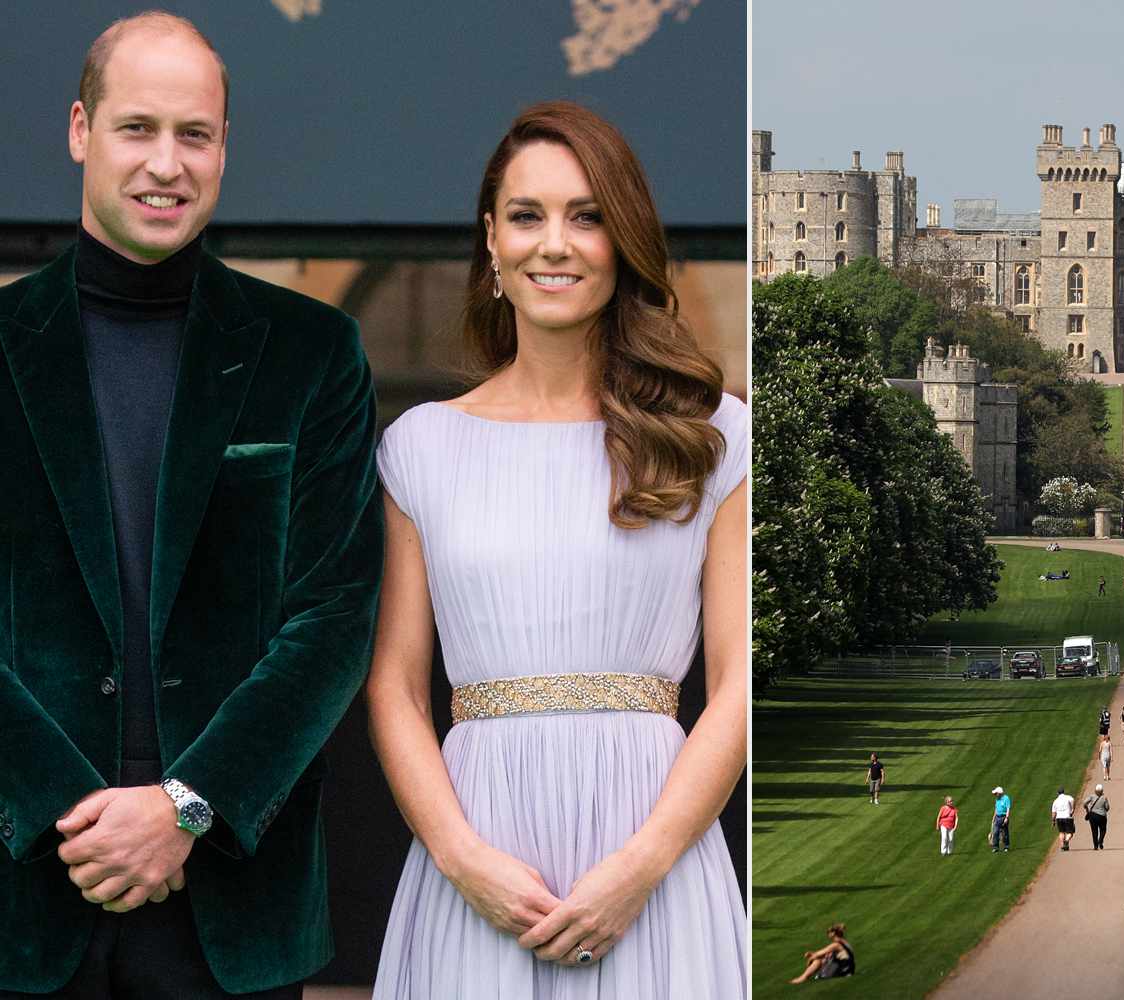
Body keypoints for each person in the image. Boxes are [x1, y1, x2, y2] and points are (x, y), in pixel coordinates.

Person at [0, 14, 383, 997]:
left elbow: (334, 615)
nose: (165, 163)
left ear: (225, 148)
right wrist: (64, 809)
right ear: (81, 129)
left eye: (194, 134)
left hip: (230, 906)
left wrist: (187, 808)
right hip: (18, 899)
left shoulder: (312, 353)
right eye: (137, 129)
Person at [368, 103, 748, 996]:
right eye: (528, 215)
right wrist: (462, 861)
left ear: (624, 243)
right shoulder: (419, 446)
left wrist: (640, 869)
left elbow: (734, 685)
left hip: (655, 861)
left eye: (587, 217)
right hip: (474, 863)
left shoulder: (713, 437)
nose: (556, 244)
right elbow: (393, 686)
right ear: (491, 242)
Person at [789, 924, 855, 984]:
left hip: (844, 970)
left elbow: (818, 954)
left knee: (817, 961)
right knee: (822, 959)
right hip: (849, 970)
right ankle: (805, 976)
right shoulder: (845, 943)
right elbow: (824, 955)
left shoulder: (835, 945)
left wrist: (811, 958)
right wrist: (812, 954)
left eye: (828, 932)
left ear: (833, 933)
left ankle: (803, 978)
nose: (827, 934)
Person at [1083, 784, 1110, 849]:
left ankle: (1095, 846)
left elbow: (1084, 803)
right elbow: (1107, 808)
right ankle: (1100, 841)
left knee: (1094, 831)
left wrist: (1086, 808)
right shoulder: (1104, 798)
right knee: (1103, 829)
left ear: (1095, 790)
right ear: (1102, 791)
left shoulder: (1092, 796)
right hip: (1102, 816)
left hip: (1093, 816)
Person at [1051, 787, 1076, 852]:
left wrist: (1053, 821)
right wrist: (1072, 809)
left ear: (1058, 793)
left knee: (1061, 832)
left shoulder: (1055, 801)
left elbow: (1054, 813)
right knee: (1070, 832)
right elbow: (1073, 800)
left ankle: (1062, 846)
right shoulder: (1068, 797)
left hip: (1059, 818)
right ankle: (1066, 841)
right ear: (1063, 792)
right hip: (1067, 817)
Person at [990, 787, 1011, 853]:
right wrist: (994, 817)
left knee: (1005, 833)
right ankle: (995, 847)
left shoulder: (1006, 798)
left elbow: (1008, 808)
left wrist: (1006, 818)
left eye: (996, 793)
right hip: (997, 817)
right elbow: (996, 809)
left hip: (1003, 817)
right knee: (995, 832)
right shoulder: (997, 799)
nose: (995, 795)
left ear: (999, 793)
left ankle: (1006, 846)